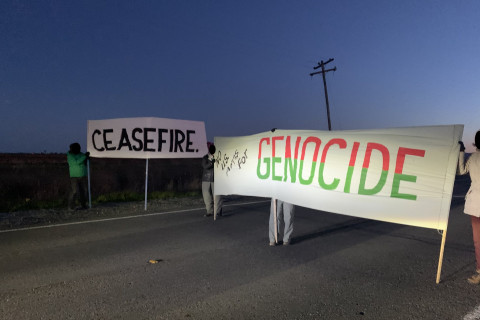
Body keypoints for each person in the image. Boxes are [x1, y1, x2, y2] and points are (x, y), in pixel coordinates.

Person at [458, 131, 480, 284]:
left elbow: (461, 170)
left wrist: (461, 151)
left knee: (478, 241)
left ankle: (479, 272)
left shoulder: (473, 158)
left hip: (476, 204)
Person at [202, 143, 223, 218]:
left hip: (216, 179)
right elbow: (205, 166)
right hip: (206, 179)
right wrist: (212, 162)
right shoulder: (205, 157)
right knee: (207, 196)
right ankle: (209, 211)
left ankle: (218, 211)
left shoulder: (219, 157)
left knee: (217, 196)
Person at [67, 142, 89, 210]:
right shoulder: (70, 156)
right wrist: (85, 156)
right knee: (74, 191)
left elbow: (85, 162)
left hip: (83, 175)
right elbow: (76, 162)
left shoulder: (81, 154)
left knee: (84, 191)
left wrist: (86, 158)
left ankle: (83, 205)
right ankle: (71, 206)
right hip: (74, 176)